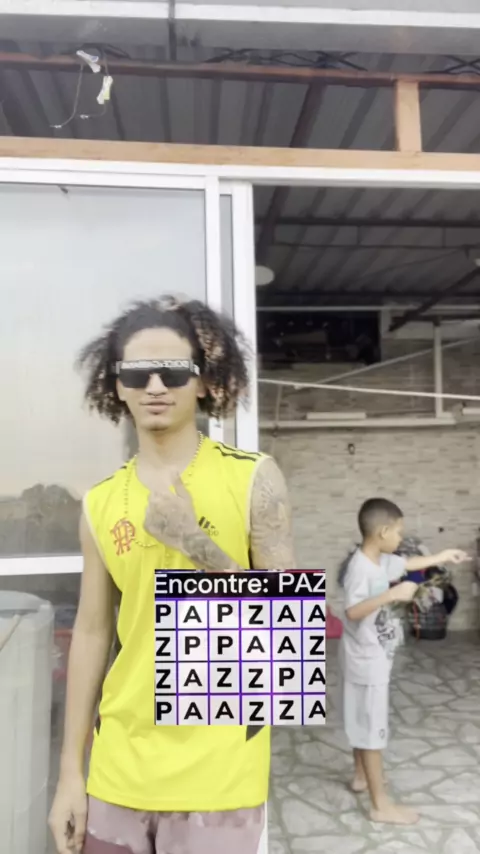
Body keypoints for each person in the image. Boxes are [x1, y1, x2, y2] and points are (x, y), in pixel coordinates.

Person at [48, 296, 296, 854]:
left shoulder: (254, 479)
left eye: (174, 371)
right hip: (118, 767)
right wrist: (69, 774)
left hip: (220, 771)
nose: (155, 386)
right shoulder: (100, 502)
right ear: (118, 387)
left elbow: (287, 641)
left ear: (204, 382)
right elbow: (92, 633)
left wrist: (195, 543)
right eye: (138, 373)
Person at [339, 497, 470, 826]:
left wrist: (443, 555)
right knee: (372, 730)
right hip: (366, 663)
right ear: (383, 532)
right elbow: (352, 612)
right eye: (398, 532)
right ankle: (380, 806)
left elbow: (407, 563)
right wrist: (391, 595)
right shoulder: (360, 569)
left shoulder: (379, 559)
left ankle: (360, 776)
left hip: (367, 656)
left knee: (361, 719)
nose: (400, 539)